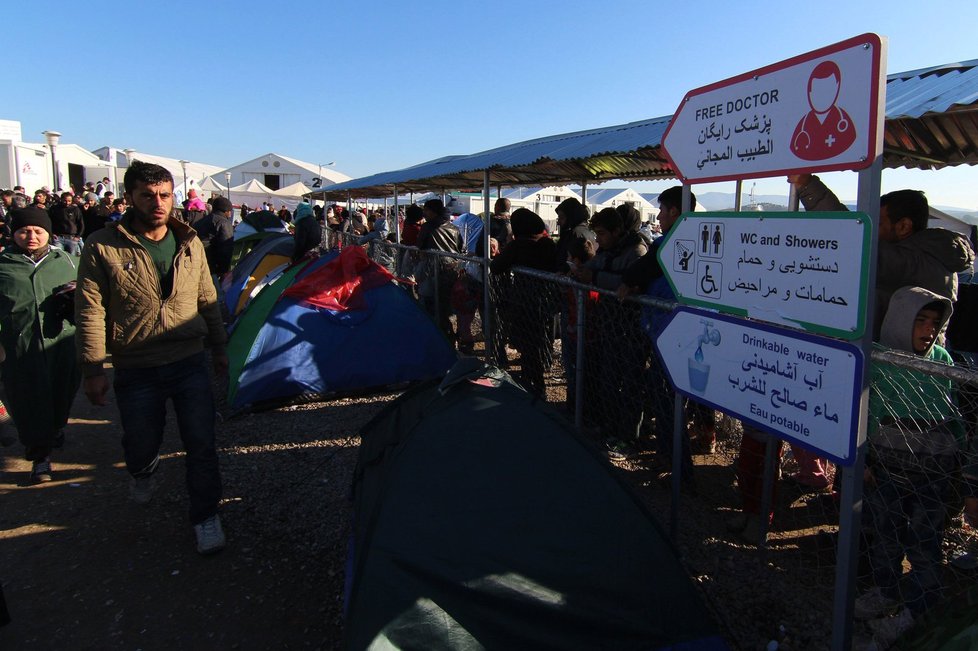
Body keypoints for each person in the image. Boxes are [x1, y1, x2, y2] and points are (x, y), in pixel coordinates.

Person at [75, 160, 228, 555]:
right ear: (130, 197)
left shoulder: (189, 242)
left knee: (201, 442)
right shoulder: (103, 244)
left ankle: (206, 516)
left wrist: (219, 349)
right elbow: (90, 309)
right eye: (148, 195)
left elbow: (207, 298)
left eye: (164, 194)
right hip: (137, 363)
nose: (158, 203)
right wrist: (93, 367)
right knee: (142, 442)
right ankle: (143, 469)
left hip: (188, 359)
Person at [856, 286, 978, 647]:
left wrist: (960, 462)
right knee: (886, 535)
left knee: (925, 544)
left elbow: (952, 412)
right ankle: (887, 589)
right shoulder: (879, 358)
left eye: (934, 323)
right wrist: (862, 459)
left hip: (932, 472)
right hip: (886, 470)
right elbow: (866, 413)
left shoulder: (942, 360)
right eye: (919, 320)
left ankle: (918, 608)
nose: (927, 329)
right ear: (899, 320)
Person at [788, 174, 975, 338]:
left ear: (903, 226)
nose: (870, 231)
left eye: (877, 224)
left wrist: (807, 185)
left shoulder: (913, 262)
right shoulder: (933, 257)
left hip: (897, 369)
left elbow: (852, 238)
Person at [0, 207, 80, 482]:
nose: (31, 236)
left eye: (37, 231)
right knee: (28, 399)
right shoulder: (3, 266)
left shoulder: (68, 262)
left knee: (63, 391)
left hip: (62, 341)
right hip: (20, 346)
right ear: (14, 233)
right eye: (24, 231)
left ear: (48, 233)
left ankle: (55, 427)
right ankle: (39, 455)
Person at [571, 206, 648, 457]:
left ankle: (628, 438)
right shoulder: (609, 250)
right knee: (609, 379)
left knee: (629, 385)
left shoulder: (636, 251)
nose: (598, 239)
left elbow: (632, 283)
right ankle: (610, 429)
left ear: (617, 230)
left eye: (602, 234)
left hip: (631, 328)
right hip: (610, 324)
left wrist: (596, 277)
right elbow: (597, 269)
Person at [490, 208, 560, 396]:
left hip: (524, 301)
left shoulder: (518, 245)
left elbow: (496, 267)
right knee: (542, 340)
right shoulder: (548, 244)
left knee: (528, 346)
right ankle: (538, 379)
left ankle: (533, 385)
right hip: (547, 300)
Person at [416, 199, 464, 340]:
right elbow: (460, 247)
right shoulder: (454, 228)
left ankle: (443, 335)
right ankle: (451, 334)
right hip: (452, 269)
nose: (424, 213)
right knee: (448, 303)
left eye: (426, 210)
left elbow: (420, 245)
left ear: (433, 211)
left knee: (433, 303)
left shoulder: (428, 227)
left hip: (433, 269)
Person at [188, 196, 235, 276]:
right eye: (229, 211)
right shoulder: (224, 223)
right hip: (212, 266)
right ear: (225, 211)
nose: (230, 214)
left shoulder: (202, 221)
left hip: (196, 262)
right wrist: (223, 270)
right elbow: (226, 248)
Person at [49, 191, 85, 256]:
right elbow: (49, 222)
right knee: (58, 257)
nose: (67, 203)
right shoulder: (54, 209)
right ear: (61, 199)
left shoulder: (75, 209)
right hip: (58, 237)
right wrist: (52, 234)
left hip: (71, 238)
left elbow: (81, 224)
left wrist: (78, 236)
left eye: (69, 201)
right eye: (65, 201)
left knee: (72, 258)